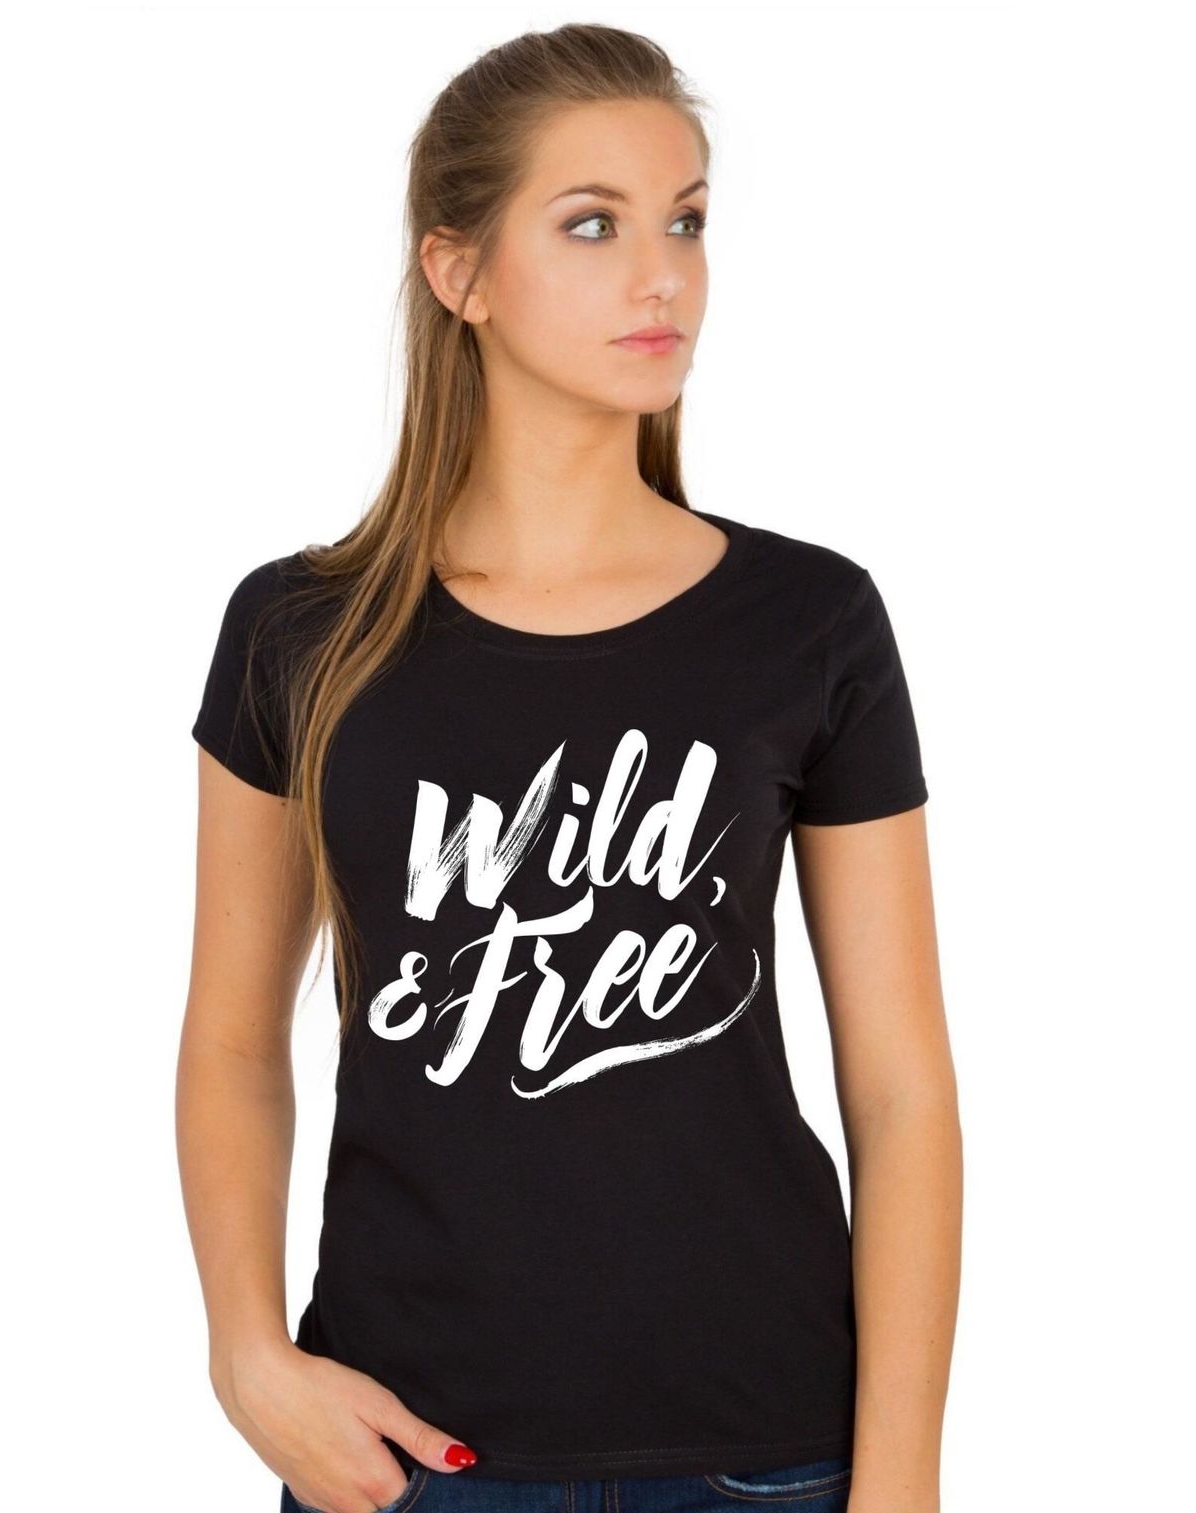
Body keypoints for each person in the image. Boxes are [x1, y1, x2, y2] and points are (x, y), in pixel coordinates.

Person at [178, 22, 961, 1513]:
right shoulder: (301, 630)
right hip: (404, 1455)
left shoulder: (809, 621)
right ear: (458, 271)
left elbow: (902, 1086)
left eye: (688, 221)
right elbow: (230, 1040)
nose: (662, 275)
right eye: (593, 225)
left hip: (765, 1452)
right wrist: (246, 1355)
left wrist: (904, 1478)